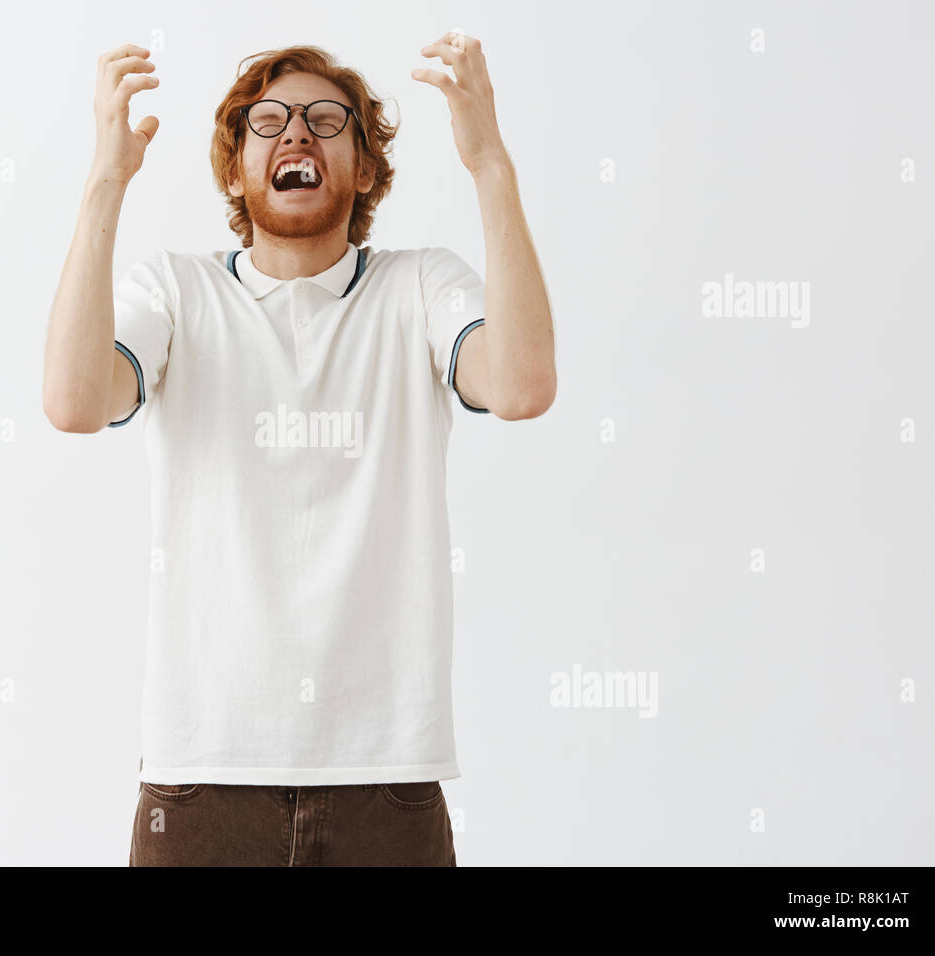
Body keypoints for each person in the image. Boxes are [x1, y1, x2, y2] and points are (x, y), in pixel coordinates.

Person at [42, 35, 555, 866]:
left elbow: (524, 385)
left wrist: (490, 164)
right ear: (237, 166)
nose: (296, 137)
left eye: (326, 121)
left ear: (362, 167)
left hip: (386, 781)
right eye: (268, 122)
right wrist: (107, 179)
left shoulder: (419, 285)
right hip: (200, 783)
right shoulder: (177, 290)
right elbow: (72, 402)